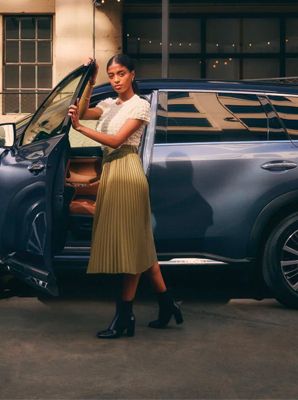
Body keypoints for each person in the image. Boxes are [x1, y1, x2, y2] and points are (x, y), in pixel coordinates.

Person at [68, 55, 183, 339]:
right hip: (111, 172)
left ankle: (124, 316)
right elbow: (82, 110)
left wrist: (80, 130)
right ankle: (168, 306)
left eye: (121, 73)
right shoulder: (108, 104)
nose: (116, 80)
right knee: (142, 247)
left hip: (128, 172)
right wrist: (90, 80)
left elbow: (117, 140)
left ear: (132, 74)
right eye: (111, 75)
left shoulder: (140, 105)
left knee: (132, 246)